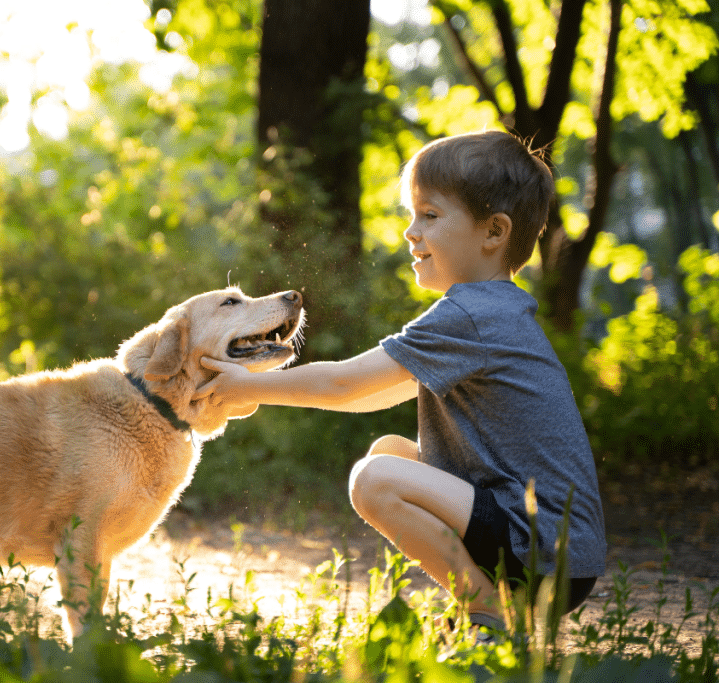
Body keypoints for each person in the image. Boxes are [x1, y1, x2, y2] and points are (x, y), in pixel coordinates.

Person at [192, 130, 606, 633]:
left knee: (374, 480)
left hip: (542, 551)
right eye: (412, 215)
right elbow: (372, 393)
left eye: (430, 216)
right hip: (553, 548)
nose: (411, 232)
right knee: (388, 452)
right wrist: (267, 389)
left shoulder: (471, 315)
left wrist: (250, 386)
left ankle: (487, 609)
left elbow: (344, 384)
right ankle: (487, 602)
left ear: (494, 232)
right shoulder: (495, 310)